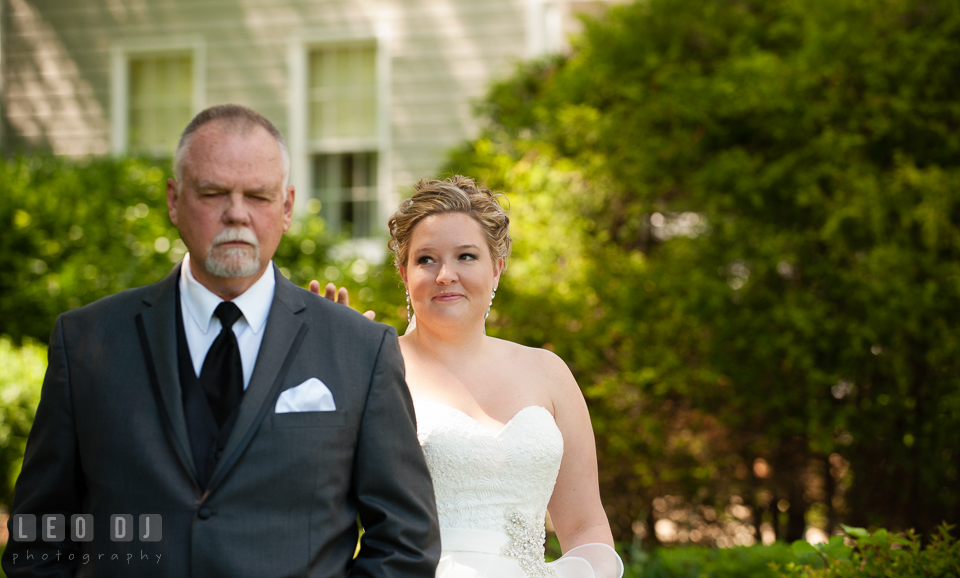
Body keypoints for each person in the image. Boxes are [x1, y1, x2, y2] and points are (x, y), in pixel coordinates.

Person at [2, 104, 441, 578]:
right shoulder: (86, 340)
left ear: (287, 207)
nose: (236, 214)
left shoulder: (360, 348)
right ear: (174, 200)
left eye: (258, 196)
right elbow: (39, 537)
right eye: (213, 193)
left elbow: (405, 543)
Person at [319, 176, 623, 578]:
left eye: (466, 256)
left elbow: (585, 525)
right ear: (404, 273)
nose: (445, 274)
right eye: (426, 259)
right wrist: (327, 371)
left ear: (496, 268)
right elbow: (318, 501)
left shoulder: (549, 373)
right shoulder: (374, 367)